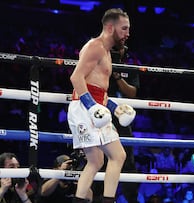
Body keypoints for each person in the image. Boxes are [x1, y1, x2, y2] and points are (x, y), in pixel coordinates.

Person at [67, 8, 136, 203]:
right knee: (117, 155)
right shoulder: (95, 46)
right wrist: (90, 106)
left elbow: (99, 89)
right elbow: (76, 77)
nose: (127, 34)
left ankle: (81, 200)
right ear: (110, 27)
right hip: (85, 107)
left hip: (96, 106)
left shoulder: (105, 52)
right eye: (124, 29)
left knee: (96, 161)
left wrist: (115, 108)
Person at [109, 43, 140, 203]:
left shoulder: (130, 68)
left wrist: (117, 76)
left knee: (127, 161)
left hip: (123, 119)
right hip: (102, 116)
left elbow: (132, 93)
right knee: (101, 160)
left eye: (119, 49)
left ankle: (131, 200)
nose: (117, 52)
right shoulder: (101, 64)